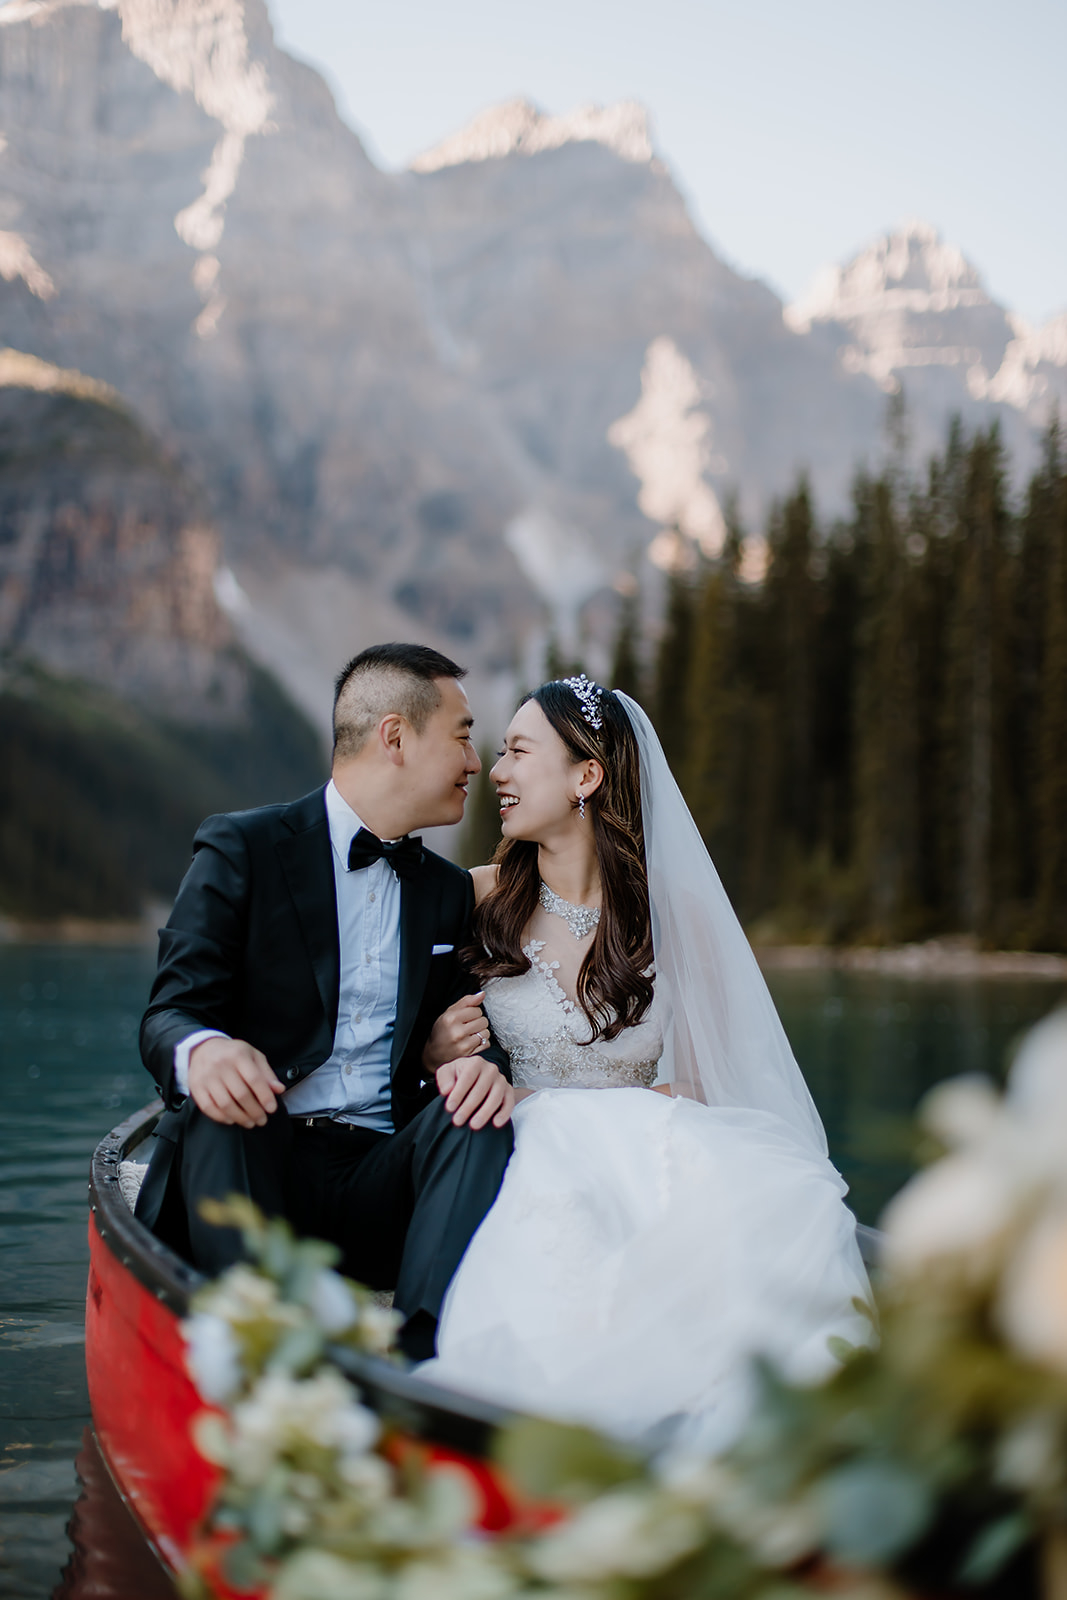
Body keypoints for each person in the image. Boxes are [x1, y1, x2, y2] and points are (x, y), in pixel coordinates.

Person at [416, 675, 872, 1450]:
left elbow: (712, 1070)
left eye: (519, 751)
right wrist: (434, 1051)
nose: (496, 771)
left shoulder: (674, 912)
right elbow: (419, 1050)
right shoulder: (476, 898)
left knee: (778, 1230)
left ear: (585, 776)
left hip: (658, 1148)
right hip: (521, 1150)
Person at [135, 642, 515, 1361]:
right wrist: (204, 1049)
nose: (476, 761)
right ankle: (258, 1346)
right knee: (222, 1108)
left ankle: (420, 1358)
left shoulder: (443, 891)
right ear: (395, 736)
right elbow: (168, 1013)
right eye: (463, 735)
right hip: (255, 1167)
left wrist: (474, 1064)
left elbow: (475, 1027)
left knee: (475, 1114)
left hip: (377, 1179)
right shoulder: (242, 847)